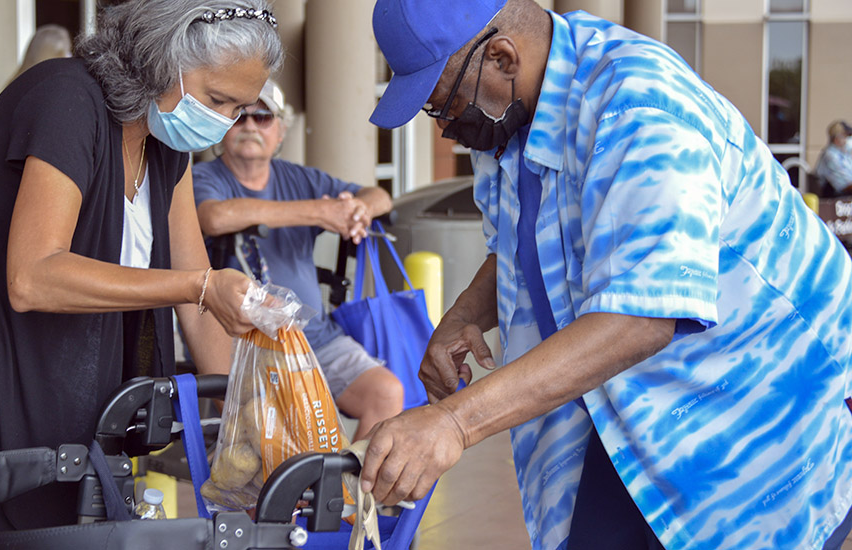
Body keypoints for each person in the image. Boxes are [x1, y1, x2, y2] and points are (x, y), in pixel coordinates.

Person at [358, 1, 852, 549]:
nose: (447, 128)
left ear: (501, 57)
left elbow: (642, 318)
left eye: (445, 104)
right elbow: (524, 242)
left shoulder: (641, 108)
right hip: (632, 404)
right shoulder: (510, 114)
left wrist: (455, 423)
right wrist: (463, 316)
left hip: (755, 406)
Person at [0, 1, 282, 548]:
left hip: (67, 390)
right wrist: (200, 287)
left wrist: (251, 420)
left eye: (241, 109)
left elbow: (200, 299)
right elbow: (34, 276)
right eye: (218, 101)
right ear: (159, 59)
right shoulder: (67, 99)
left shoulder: (167, 144)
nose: (225, 124)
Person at [191, 79, 404, 441]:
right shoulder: (203, 177)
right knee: (278, 429)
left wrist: (358, 210)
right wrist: (320, 212)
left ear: (280, 132)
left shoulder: (299, 177)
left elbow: (379, 195)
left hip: (313, 336)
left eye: (263, 117)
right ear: (223, 127)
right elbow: (216, 217)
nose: (250, 126)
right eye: (239, 116)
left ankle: (346, 495)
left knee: (386, 393)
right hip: (240, 343)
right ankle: (301, 493)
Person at [815, 120, 852, 197]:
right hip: (834, 197)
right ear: (837, 138)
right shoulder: (830, 155)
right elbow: (844, 186)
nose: (847, 139)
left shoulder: (843, 151)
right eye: (845, 136)